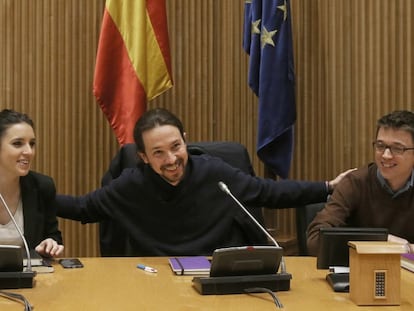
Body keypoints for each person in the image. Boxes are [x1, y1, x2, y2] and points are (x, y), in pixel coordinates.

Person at [56, 107, 351, 256]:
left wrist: (327, 187)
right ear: (144, 157)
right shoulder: (130, 185)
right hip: (157, 283)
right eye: (158, 153)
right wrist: (28, 188)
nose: (171, 159)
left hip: (215, 278)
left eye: (175, 147)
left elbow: (269, 192)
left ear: (186, 141)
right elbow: (82, 207)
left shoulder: (215, 173)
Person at [307, 110, 414, 256]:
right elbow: (315, 240)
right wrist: (381, 241)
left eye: (397, 148)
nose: (386, 155)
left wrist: (408, 250)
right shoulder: (355, 183)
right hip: (359, 273)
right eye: (380, 145)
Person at [0, 109, 64, 257]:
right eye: (18, 143)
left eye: (32, 144)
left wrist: (50, 244)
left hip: (26, 278)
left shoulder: (42, 187)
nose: (29, 151)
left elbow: (53, 236)